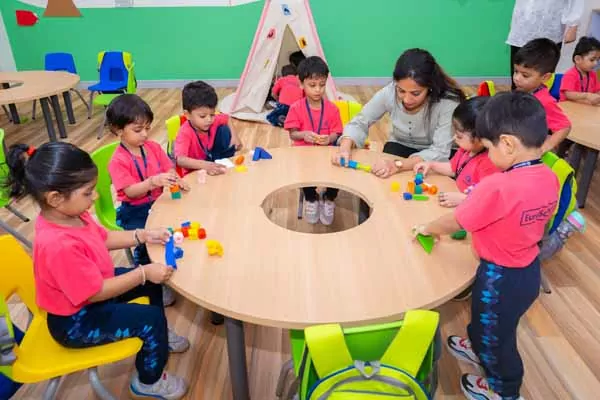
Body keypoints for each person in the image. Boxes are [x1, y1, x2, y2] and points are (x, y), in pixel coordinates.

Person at [5, 142, 191, 399]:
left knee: (149, 286)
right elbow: (95, 293)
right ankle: (149, 381)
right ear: (55, 198)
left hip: (91, 293)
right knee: (151, 318)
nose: (95, 197)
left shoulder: (70, 214)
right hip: (75, 322)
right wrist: (144, 272)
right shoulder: (58, 245)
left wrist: (143, 235)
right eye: (88, 192)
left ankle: (158, 337)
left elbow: (102, 238)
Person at [414, 92, 559, 400]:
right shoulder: (548, 176)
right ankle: (478, 345)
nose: (487, 152)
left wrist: (427, 227)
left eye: (490, 146)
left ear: (507, 144)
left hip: (499, 277)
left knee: (498, 340)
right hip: (527, 271)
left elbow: (456, 221)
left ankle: (505, 390)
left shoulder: (497, 185)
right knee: (490, 322)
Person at [107, 95, 189, 309]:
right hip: (134, 210)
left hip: (158, 202)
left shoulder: (152, 147)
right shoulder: (118, 160)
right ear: (118, 130)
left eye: (147, 128)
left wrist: (174, 178)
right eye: (137, 129)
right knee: (146, 246)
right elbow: (131, 192)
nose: (144, 134)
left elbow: (168, 167)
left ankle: (168, 264)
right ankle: (148, 277)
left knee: (171, 231)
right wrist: (153, 181)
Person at [333, 48, 465, 178]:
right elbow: (360, 121)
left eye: (415, 93)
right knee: (380, 179)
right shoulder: (389, 92)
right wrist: (344, 148)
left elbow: (439, 151)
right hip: (401, 145)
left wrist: (398, 165)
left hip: (439, 154)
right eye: (401, 91)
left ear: (430, 88)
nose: (407, 100)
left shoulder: (448, 102)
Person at [284, 56, 343, 225]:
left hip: (326, 153)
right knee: (303, 171)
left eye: (322, 85)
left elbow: (337, 133)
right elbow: (292, 134)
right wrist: (303, 135)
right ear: (301, 83)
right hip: (304, 153)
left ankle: (330, 198)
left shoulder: (332, 109)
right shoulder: (296, 108)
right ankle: (311, 198)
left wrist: (329, 138)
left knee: (339, 168)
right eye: (312, 85)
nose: (318, 90)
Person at [413, 96, 499, 208]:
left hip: (470, 210)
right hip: (457, 199)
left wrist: (464, 199)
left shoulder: (489, 164)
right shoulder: (465, 150)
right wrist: (431, 165)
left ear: (481, 139)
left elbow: (489, 198)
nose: (454, 138)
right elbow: (454, 169)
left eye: (459, 136)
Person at [507, 0, 584, 90]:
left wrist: (573, 24)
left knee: (541, 72)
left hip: (549, 25)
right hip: (522, 25)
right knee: (520, 69)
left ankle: (540, 100)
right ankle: (515, 100)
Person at [513, 38, 572, 154]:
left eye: (525, 75)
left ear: (545, 77)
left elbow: (564, 127)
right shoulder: (523, 90)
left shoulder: (543, 101)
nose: (516, 78)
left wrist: (546, 146)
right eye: (516, 71)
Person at [174, 81, 242, 176]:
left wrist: (235, 137)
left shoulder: (212, 121)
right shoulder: (185, 132)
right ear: (187, 115)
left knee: (224, 130)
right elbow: (180, 160)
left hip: (210, 159)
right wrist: (205, 165)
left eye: (212, 114)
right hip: (194, 170)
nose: (209, 120)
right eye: (202, 116)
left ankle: (225, 163)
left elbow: (227, 118)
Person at [560, 36, 600, 104]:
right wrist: (586, 96)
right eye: (592, 60)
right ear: (578, 59)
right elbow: (568, 94)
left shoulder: (593, 74)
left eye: (598, 60)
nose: (595, 63)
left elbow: (598, 90)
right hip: (568, 108)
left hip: (585, 108)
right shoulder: (570, 74)